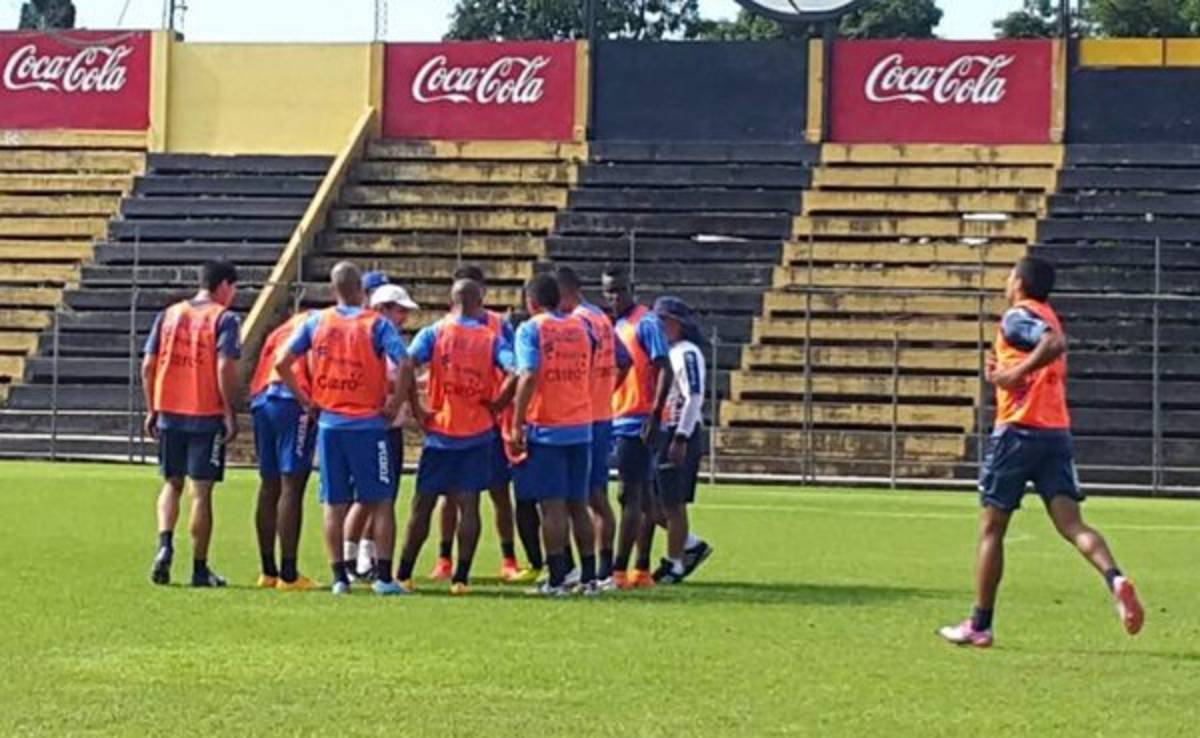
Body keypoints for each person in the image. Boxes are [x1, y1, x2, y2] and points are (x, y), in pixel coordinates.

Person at [939, 257, 1144, 648]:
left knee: (991, 529)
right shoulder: (1047, 314)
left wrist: (1013, 375)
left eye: (1009, 274)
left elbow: (1052, 343)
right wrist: (1007, 373)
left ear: (1019, 282)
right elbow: (1043, 351)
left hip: (1018, 433)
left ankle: (979, 625)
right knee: (1072, 525)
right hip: (1055, 433)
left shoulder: (1019, 316)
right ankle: (1115, 578)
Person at [276, 261, 409, 596]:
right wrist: (394, 404)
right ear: (362, 292)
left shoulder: (317, 321)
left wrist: (305, 399)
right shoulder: (375, 324)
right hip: (368, 424)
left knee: (333, 502)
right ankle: (383, 577)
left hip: (330, 424)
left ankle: (339, 578)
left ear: (334, 289)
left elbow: (281, 362)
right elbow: (405, 361)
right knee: (380, 500)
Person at [395, 279, 515, 595]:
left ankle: (403, 574)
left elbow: (406, 363)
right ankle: (460, 578)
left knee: (422, 506)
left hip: (440, 431)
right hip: (476, 432)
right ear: (480, 301)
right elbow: (517, 370)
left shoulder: (435, 333)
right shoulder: (490, 338)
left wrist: (416, 407)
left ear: (452, 300)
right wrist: (499, 403)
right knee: (469, 505)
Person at [432, 264, 535, 584]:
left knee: (498, 491)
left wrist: (501, 404)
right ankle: (445, 559)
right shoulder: (442, 328)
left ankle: (507, 558)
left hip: (486, 423)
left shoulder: (497, 325)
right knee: (449, 496)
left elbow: (514, 368)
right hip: (450, 422)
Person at [143, 260, 241, 588]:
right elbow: (225, 366)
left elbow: (148, 365)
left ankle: (164, 545)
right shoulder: (224, 319)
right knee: (201, 493)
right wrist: (229, 410)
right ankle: (199, 569)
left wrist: (152, 408)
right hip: (205, 412)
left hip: (169, 409)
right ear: (224, 285)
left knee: (171, 483)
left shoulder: (169, 314)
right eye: (234, 287)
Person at [510, 274, 598, 596]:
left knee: (552, 507)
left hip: (548, 427)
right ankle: (590, 578)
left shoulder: (531, 328)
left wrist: (517, 422)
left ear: (530, 302)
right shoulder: (582, 326)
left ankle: (558, 579)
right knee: (579, 505)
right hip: (581, 424)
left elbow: (529, 373)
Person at [556, 265, 631, 590]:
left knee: (577, 496)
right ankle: (604, 571)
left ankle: (586, 571)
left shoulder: (577, 322)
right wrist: (606, 392)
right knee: (594, 494)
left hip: (580, 417)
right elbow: (624, 361)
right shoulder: (601, 318)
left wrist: (585, 393)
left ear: (566, 292)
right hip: (601, 416)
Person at [601, 266, 673, 589]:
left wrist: (655, 414)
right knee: (642, 497)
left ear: (631, 289)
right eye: (608, 292)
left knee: (628, 495)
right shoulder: (616, 324)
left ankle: (618, 571)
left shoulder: (645, 322)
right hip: (621, 416)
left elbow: (664, 368)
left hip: (638, 419)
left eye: (618, 290)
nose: (613, 297)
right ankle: (641, 570)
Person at [344, 281, 420, 583]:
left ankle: (365, 554)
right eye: (399, 311)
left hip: (390, 426)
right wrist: (398, 396)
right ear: (383, 309)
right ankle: (355, 559)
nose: (404, 318)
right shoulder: (373, 337)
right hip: (377, 425)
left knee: (380, 495)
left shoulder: (388, 338)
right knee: (371, 496)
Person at [249, 309, 320, 591]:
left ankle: (268, 570)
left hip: (262, 400)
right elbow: (312, 360)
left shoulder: (279, 329)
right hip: (291, 400)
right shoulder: (318, 325)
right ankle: (288, 573)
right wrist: (309, 400)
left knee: (269, 484)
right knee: (293, 484)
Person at [648, 297, 713, 585]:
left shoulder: (687, 354)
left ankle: (675, 562)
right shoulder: (671, 352)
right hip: (665, 429)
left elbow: (694, 396)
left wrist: (682, 435)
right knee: (652, 502)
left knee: (673, 503)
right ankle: (689, 544)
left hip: (678, 431)